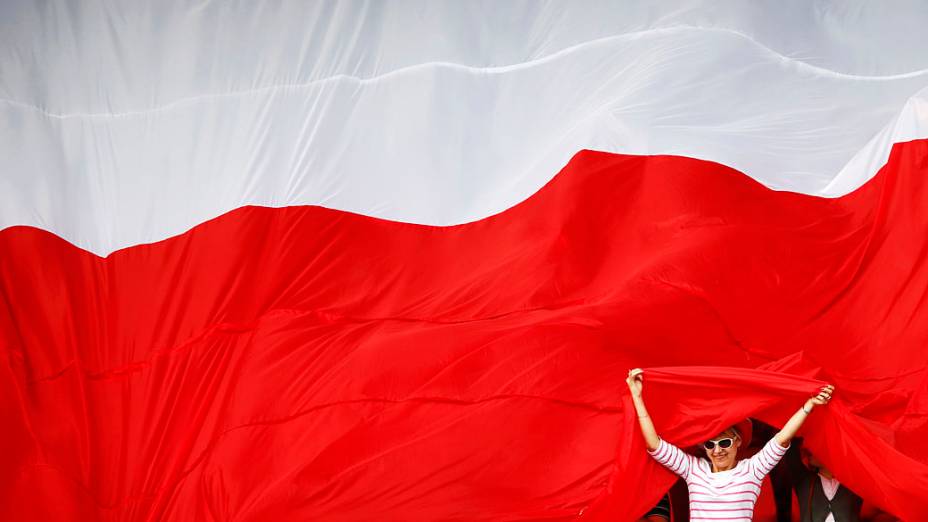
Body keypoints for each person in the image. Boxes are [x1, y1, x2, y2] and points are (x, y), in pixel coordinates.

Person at [626, 368, 834, 522]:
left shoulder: (751, 470)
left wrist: (808, 406)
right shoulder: (693, 469)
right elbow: (655, 445)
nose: (717, 450)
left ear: (737, 443)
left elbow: (782, 439)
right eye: (710, 444)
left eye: (724, 442)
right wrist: (637, 396)